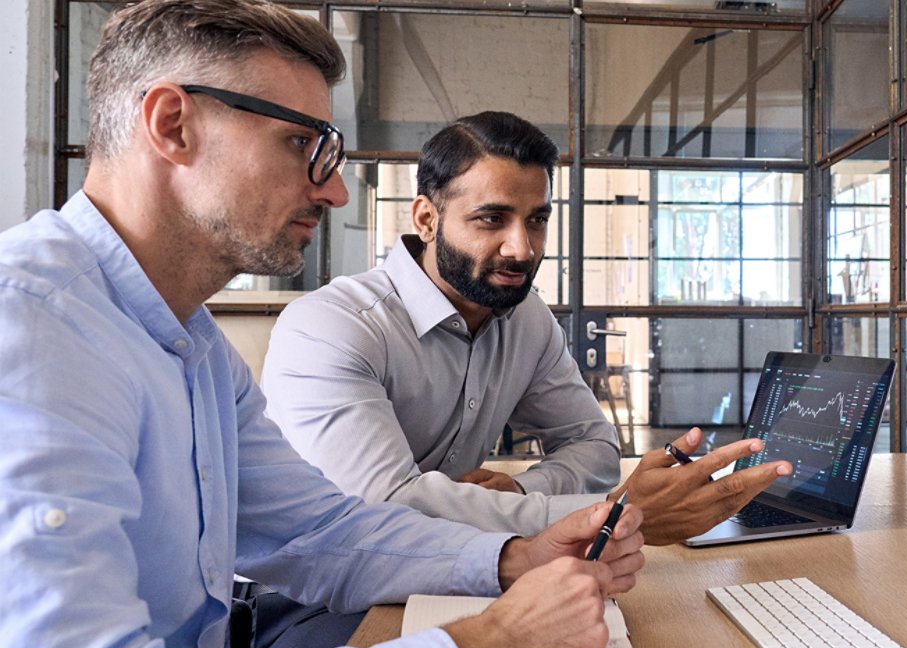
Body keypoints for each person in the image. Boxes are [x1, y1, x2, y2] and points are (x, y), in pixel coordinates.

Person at [0, 2, 647, 648]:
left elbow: (317, 531)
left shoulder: (193, 344)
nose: (335, 191)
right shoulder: (34, 330)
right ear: (173, 125)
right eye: (300, 143)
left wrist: (510, 557)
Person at [262, 111, 792, 543]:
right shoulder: (332, 328)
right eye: (491, 219)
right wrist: (611, 513)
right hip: (307, 596)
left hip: (450, 567)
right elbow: (383, 509)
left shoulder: (525, 317)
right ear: (426, 219)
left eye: (536, 220)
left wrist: (521, 492)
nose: (522, 249)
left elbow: (593, 444)